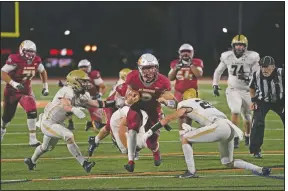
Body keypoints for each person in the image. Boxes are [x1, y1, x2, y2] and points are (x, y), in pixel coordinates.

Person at [144, 88, 271, 178]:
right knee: (228, 162)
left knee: (185, 138)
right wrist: (166, 102)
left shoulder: (185, 103)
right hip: (229, 127)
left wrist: (150, 131)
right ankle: (259, 169)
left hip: (219, 127)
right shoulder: (201, 102)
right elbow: (202, 121)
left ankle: (191, 171)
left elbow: (169, 118)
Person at [24, 70, 115, 172]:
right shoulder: (67, 90)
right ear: (75, 82)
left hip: (57, 123)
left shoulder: (82, 94)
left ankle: (31, 161)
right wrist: (73, 109)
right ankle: (84, 163)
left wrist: (114, 103)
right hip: (48, 122)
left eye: (86, 81)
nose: (87, 84)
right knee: (68, 136)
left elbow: (96, 103)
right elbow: (65, 104)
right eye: (83, 81)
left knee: (46, 147)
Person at [124, 53, 176, 172]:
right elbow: (126, 98)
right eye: (146, 68)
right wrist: (129, 101)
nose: (149, 71)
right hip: (137, 106)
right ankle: (130, 160)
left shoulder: (163, 81)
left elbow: (175, 103)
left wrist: (167, 103)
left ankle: (155, 150)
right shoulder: (132, 77)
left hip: (153, 108)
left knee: (151, 141)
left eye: (152, 67)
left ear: (157, 67)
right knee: (132, 130)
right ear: (139, 68)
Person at [212, 34, 260, 148]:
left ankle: (247, 136)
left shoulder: (252, 57)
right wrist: (215, 84)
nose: (239, 47)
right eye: (237, 45)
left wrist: (251, 79)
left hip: (248, 91)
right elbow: (218, 71)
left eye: (241, 45)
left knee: (248, 117)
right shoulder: (227, 56)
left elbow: (257, 73)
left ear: (246, 46)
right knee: (235, 111)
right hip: (233, 89)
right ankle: (235, 137)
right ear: (233, 46)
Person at [1, 40, 49, 146]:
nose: (30, 54)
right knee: (7, 116)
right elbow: (3, 72)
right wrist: (14, 84)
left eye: (32, 51)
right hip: (12, 92)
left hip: (25, 91)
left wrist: (45, 87)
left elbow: (43, 71)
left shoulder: (36, 60)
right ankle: (2, 129)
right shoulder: (15, 59)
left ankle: (32, 138)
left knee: (31, 108)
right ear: (21, 50)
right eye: (27, 51)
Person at [87, 69, 133, 156]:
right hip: (111, 106)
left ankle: (96, 140)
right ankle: (115, 141)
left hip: (119, 104)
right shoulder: (122, 85)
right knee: (110, 126)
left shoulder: (128, 84)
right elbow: (118, 102)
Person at [249, 56, 284, 158]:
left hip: (281, 101)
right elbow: (252, 88)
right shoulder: (256, 74)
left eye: (266, 67)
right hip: (262, 101)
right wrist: (253, 101)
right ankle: (255, 150)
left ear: (273, 66)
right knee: (257, 123)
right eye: (262, 67)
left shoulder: (282, 73)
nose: (264, 69)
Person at [58, 59, 107, 131]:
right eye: (81, 67)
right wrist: (62, 84)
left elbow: (103, 87)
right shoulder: (76, 75)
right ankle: (70, 123)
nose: (83, 68)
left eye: (85, 66)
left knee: (98, 125)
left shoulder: (93, 74)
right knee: (68, 105)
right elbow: (69, 85)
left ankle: (91, 123)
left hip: (93, 99)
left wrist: (99, 94)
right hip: (81, 98)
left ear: (89, 67)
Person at [168, 43, 204, 131]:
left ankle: (188, 134)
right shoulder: (175, 63)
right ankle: (182, 135)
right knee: (181, 115)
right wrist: (176, 69)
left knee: (189, 115)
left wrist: (191, 65)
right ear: (179, 53)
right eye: (183, 52)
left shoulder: (197, 62)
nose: (185, 54)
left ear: (192, 53)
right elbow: (170, 78)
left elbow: (199, 74)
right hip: (179, 93)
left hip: (192, 93)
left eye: (188, 52)